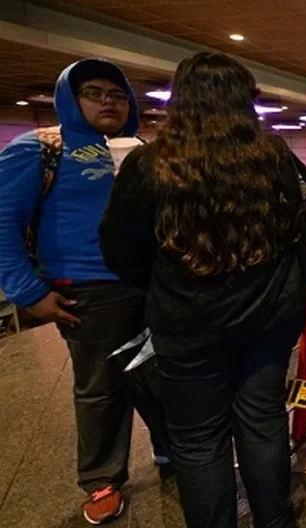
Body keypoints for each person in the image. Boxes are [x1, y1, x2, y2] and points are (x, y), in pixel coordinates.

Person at [99, 52, 306, 528]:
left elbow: (119, 249)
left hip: (186, 325)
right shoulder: (272, 156)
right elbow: (293, 229)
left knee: (197, 439)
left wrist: (166, 287)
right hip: (267, 317)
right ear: (243, 100)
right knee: (262, 420)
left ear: (182, 100)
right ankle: (275, 521)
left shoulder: (149, 164)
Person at [0, 58, 171, 525]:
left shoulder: (139, 149)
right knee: (101, 389)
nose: (108, 101)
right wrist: (29, 293)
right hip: (89, 290)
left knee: (160, 374)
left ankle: (169, 450)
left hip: (152, 285)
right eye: (94, 93)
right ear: (69, 99)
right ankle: (101, 477)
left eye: (117, 94)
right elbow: (2, 223)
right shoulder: (38, 149)